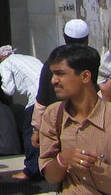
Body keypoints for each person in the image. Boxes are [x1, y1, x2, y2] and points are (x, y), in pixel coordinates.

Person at [38, 44, 111, 194]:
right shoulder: (53, 115)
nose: (53, 80)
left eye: (60, 74)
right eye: (52, 74)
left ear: (85, 76)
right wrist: (62, 160)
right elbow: (51, 177)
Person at [33, 19, 90, 138]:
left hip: (60, 126)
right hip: (89, 123)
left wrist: (36, 129)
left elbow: (41, 101)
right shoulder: (93, 60)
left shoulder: (52, 62)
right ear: (87, 39)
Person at [0, 44, 43, 181]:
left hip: (35, 99)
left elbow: (9, 90)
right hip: (51, 96)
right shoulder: (30, 58)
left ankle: (31, 171)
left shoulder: (5, 63)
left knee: (29, 133)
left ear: (2, 57)